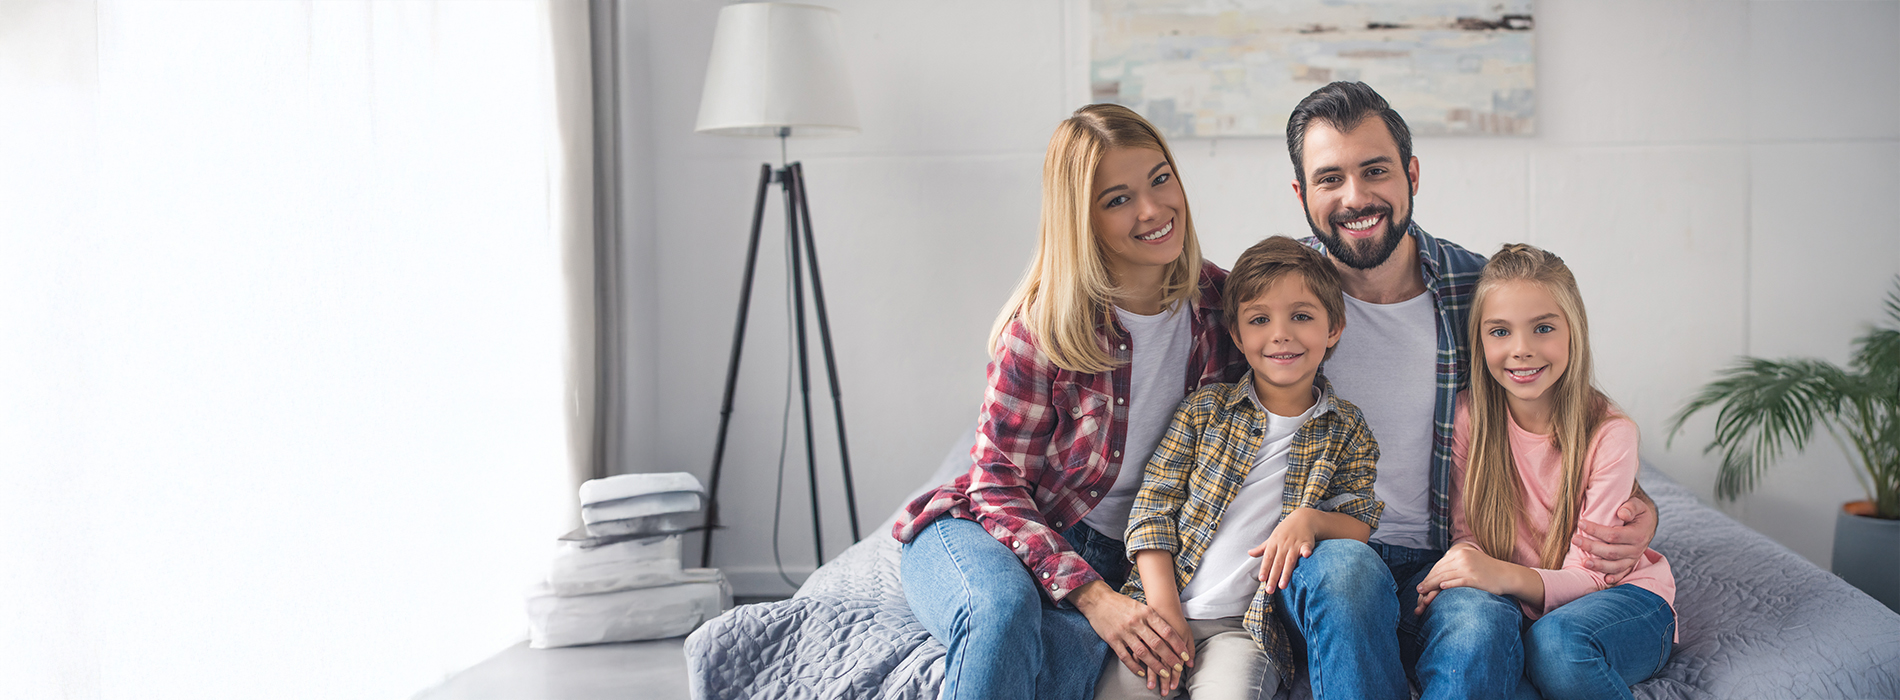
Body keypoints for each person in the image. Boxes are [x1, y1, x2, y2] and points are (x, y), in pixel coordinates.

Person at [1282, 81, 1663, 698]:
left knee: (1482, 619)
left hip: (1450, 555)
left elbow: (1562, 419)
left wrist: (1640, 508)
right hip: (1329, 554)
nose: (1355, 197)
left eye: (1375, 170)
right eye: (1330, 179)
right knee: (1349, 575)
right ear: (1302, 193)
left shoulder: (1477, 291)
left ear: (1411, 174)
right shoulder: (1271, 300)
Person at [890, 103, 1245, 700]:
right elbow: (996, 485)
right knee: (1002, 614)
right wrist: (1094, 597)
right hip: (992, 528)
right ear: (1082, 219)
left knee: (1082, 658)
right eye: (1118, 199)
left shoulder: (1222, 307)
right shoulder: (1044, 330)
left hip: (1127, 555)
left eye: (1160, 179)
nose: (1153, 210)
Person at [1094, 236, 1387, 700]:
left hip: (1246, 629)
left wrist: (1310, 521)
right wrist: (1165, 610)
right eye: (1259, 320)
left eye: (1302, 316)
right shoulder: (1205, 410)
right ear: (1236, 335)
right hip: (1158, 609)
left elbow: (1360, 521)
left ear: (1334, 328)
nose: (1280, 334)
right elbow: (1152, 510)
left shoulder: (1347, 428)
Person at [1416, 244, 1677, 700]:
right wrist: (1463, 568)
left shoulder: (1610, 433)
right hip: (1527, 607)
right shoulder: (1467, 418)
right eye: (1500, 331)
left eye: (1543, 328)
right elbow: (1469, 535)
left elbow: (1595, 575)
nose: (1522, 349)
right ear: (1480, 340)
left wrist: (1499, 575)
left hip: (1622, 600)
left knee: (1555, 645)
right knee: (1496, 669)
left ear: (1574, 332)